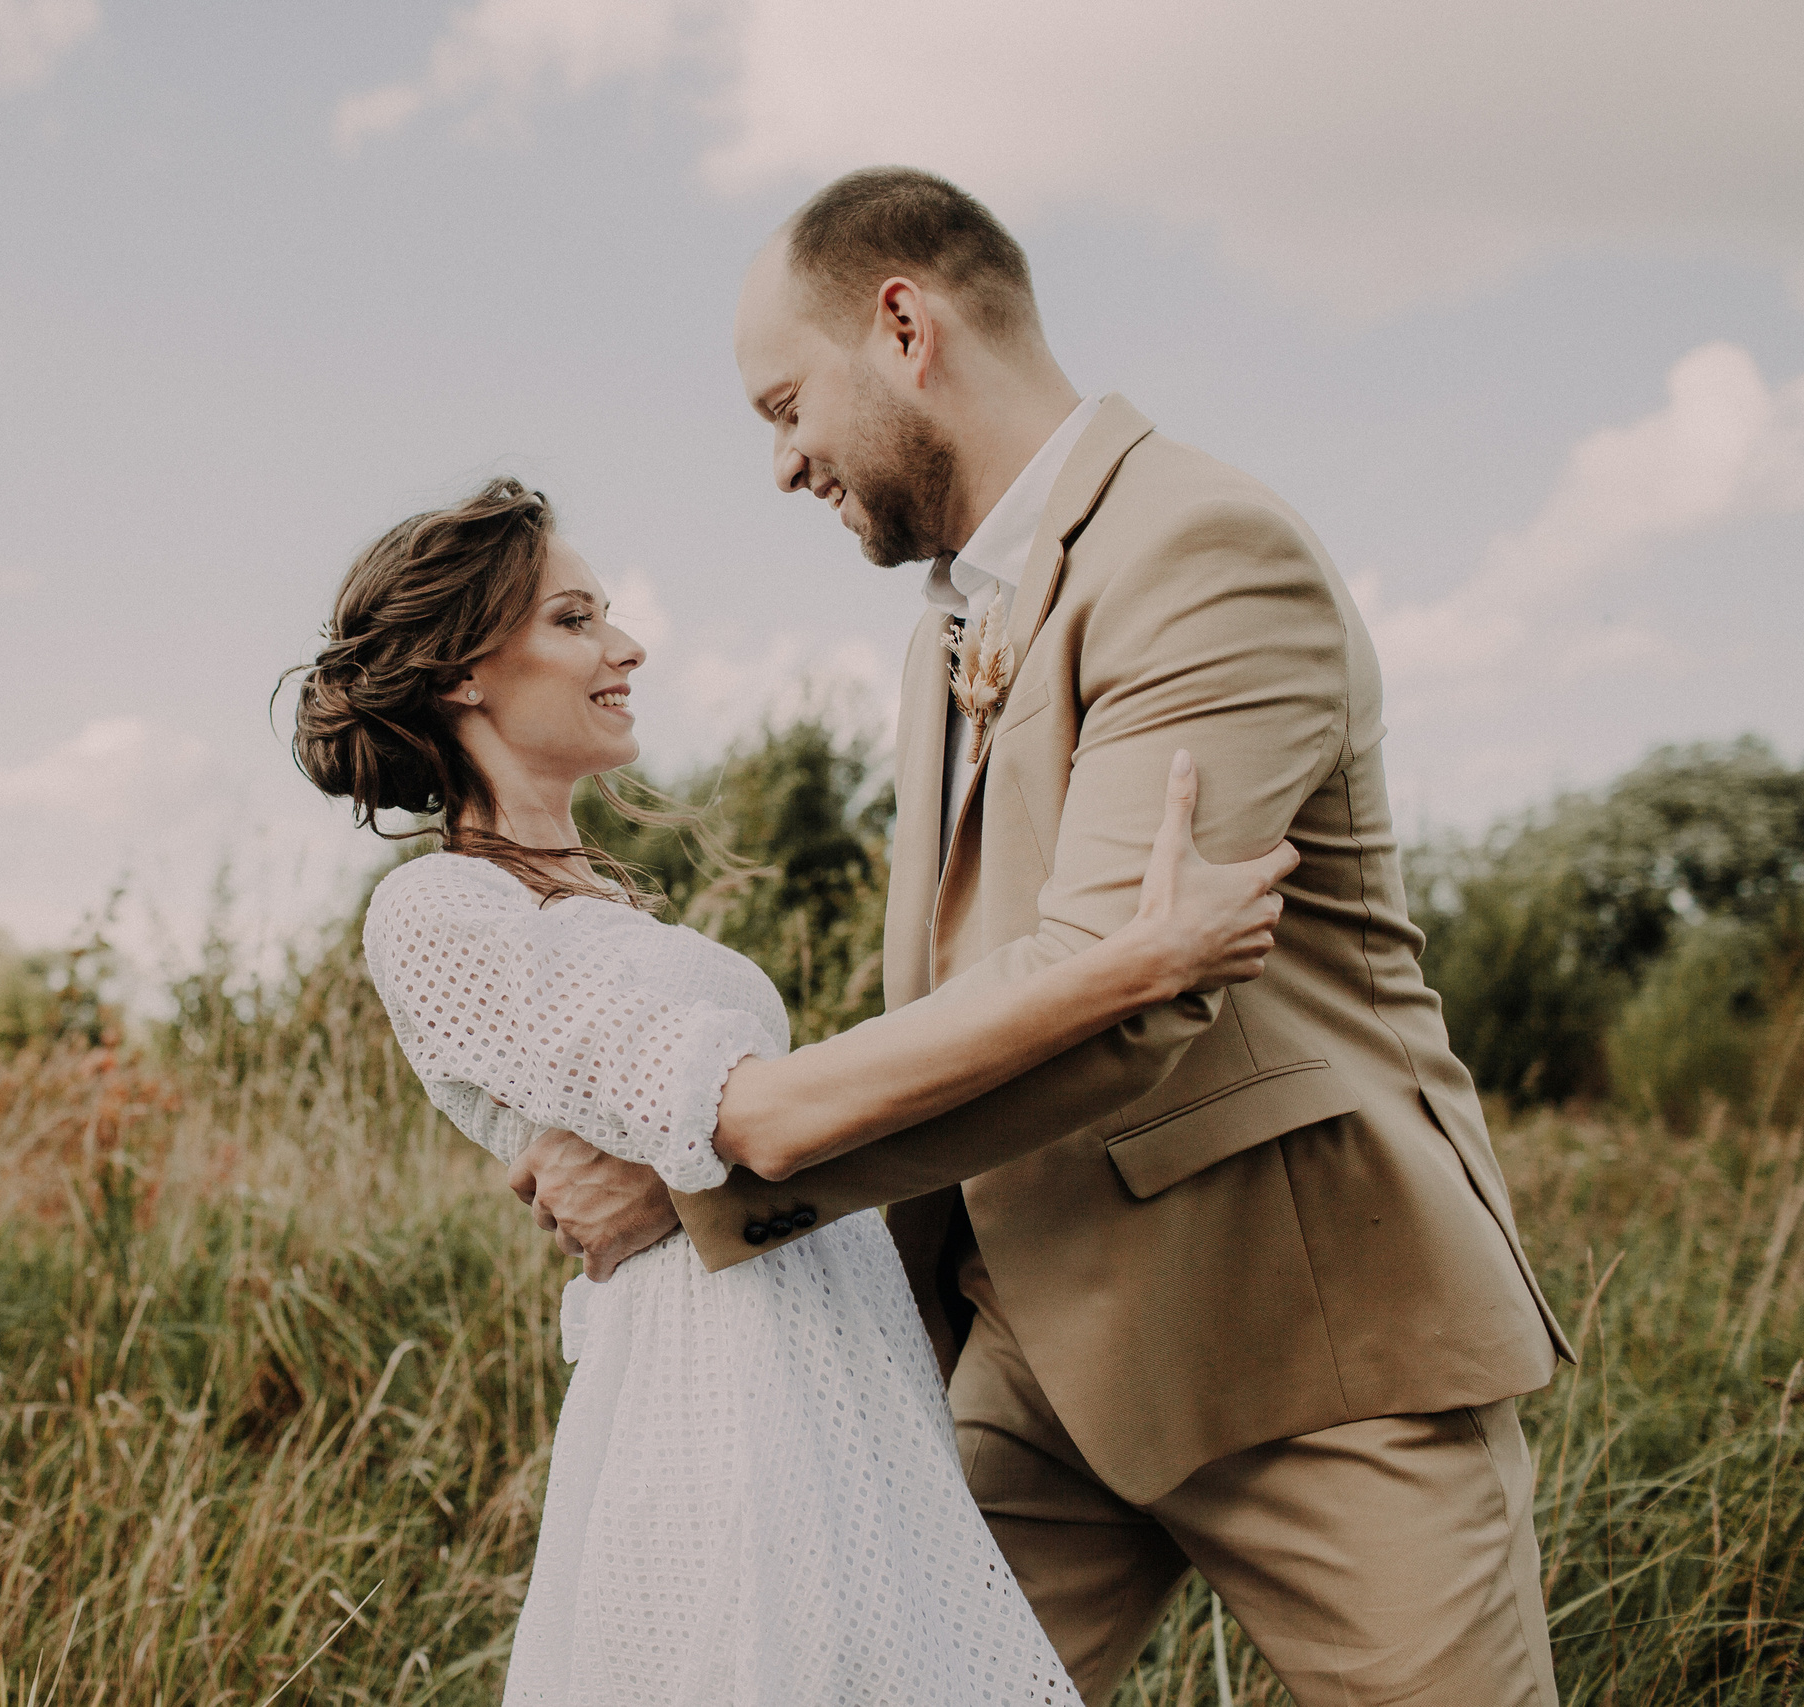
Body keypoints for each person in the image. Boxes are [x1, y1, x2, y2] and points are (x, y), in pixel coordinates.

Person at [513, 168, 1571, 1706]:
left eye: (783, 402)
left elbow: (1124, 988)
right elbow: (974, 985)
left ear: (903, 324)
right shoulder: (948, 625)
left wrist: (706, 1169)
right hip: (1029, 1344)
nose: (782, 460)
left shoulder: (1205, 550)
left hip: (1310, 1344)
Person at [287, 474, 1296, 1706]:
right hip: (713, 1384)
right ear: (460, 675)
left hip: (834, 1360)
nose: (624, 645)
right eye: (573, 619)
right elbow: (754, 1117)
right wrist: (1129, 965)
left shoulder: (602, 902)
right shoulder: (439, 909)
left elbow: (729, 1131)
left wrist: (675, 1172)